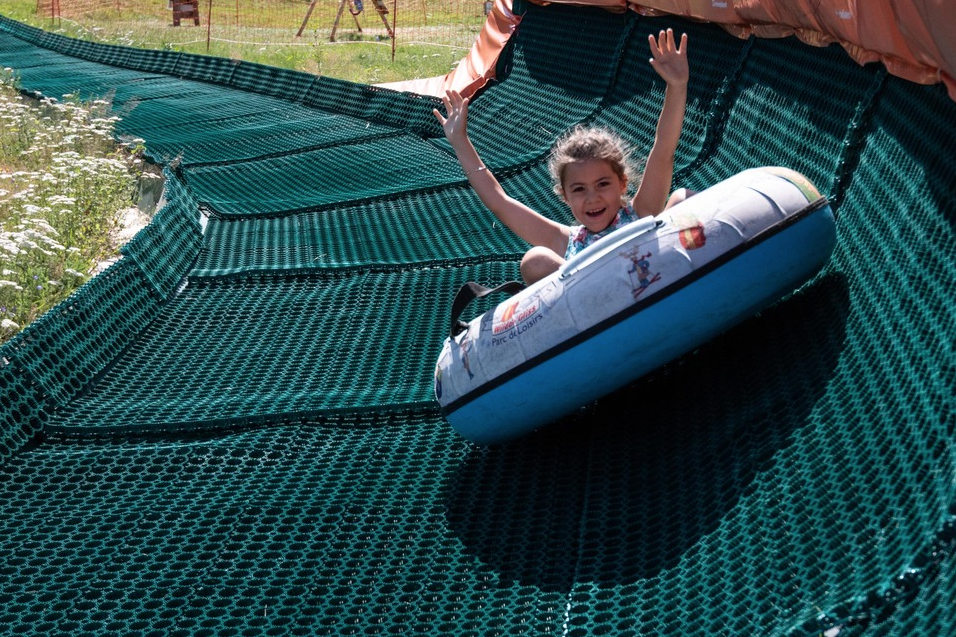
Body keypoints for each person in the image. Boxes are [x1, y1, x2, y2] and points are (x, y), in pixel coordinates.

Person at [433, 28, 692, 284]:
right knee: (535, 260)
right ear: (565, 195)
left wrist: (677, 87)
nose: (593, 198)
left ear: (623, 183)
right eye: (579, 189)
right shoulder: (566, 242)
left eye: (603, 184)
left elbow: (664, 148)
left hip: (659, 291)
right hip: (603, 313)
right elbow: (499, 203)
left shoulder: (641, 213)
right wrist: (460, 142)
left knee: (682, 199)